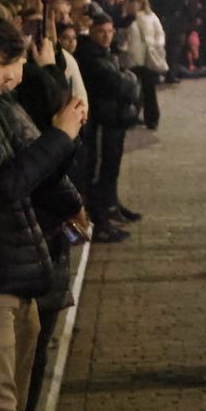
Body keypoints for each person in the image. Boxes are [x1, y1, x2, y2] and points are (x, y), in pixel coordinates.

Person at [0, 18, 85, 411]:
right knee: (0, 406)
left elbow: (35, 159)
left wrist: (69, 194)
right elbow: (10, 182)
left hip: (18, 266)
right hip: (2, 270)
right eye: (6, 66)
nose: (14, 77)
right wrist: (60, 134)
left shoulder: (3, 104)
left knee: (12, 405)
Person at [70, 15, 141, 242]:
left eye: (110, 31)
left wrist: (127, 80)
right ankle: (100, 220)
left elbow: (125, 79)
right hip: (102, 120)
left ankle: (111, 207)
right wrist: (128, 81)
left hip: (115, 119)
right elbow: (117, 83)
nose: (107, 35)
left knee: (111, 167)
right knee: (100, 171)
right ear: (91, 32)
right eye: (101, 31)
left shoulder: (107, 53)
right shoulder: (91, 57)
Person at [121, 0, 167, 132]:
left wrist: (156, 46)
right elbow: (121, 36)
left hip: (148, 58)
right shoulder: (126, 18)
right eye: (132, 0)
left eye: (138, 1)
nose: (135, 4)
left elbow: (159, 33)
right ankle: (131, 117)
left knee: (149, 90)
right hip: (132, 58)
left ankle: (152, 118)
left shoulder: (151, 17)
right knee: (131, 90)